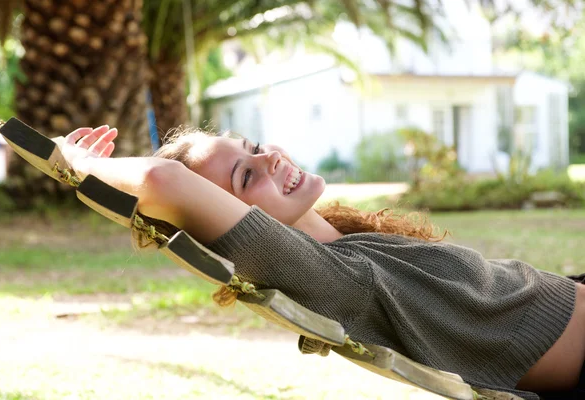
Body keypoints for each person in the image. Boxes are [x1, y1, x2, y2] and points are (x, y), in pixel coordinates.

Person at [60, 125, 585, 400]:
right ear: (237, 222)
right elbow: (163, 183)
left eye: (256, 147)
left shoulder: (354, 245)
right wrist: (82, 164)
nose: (270, 160)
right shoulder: (335, 279)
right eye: (246, 177)